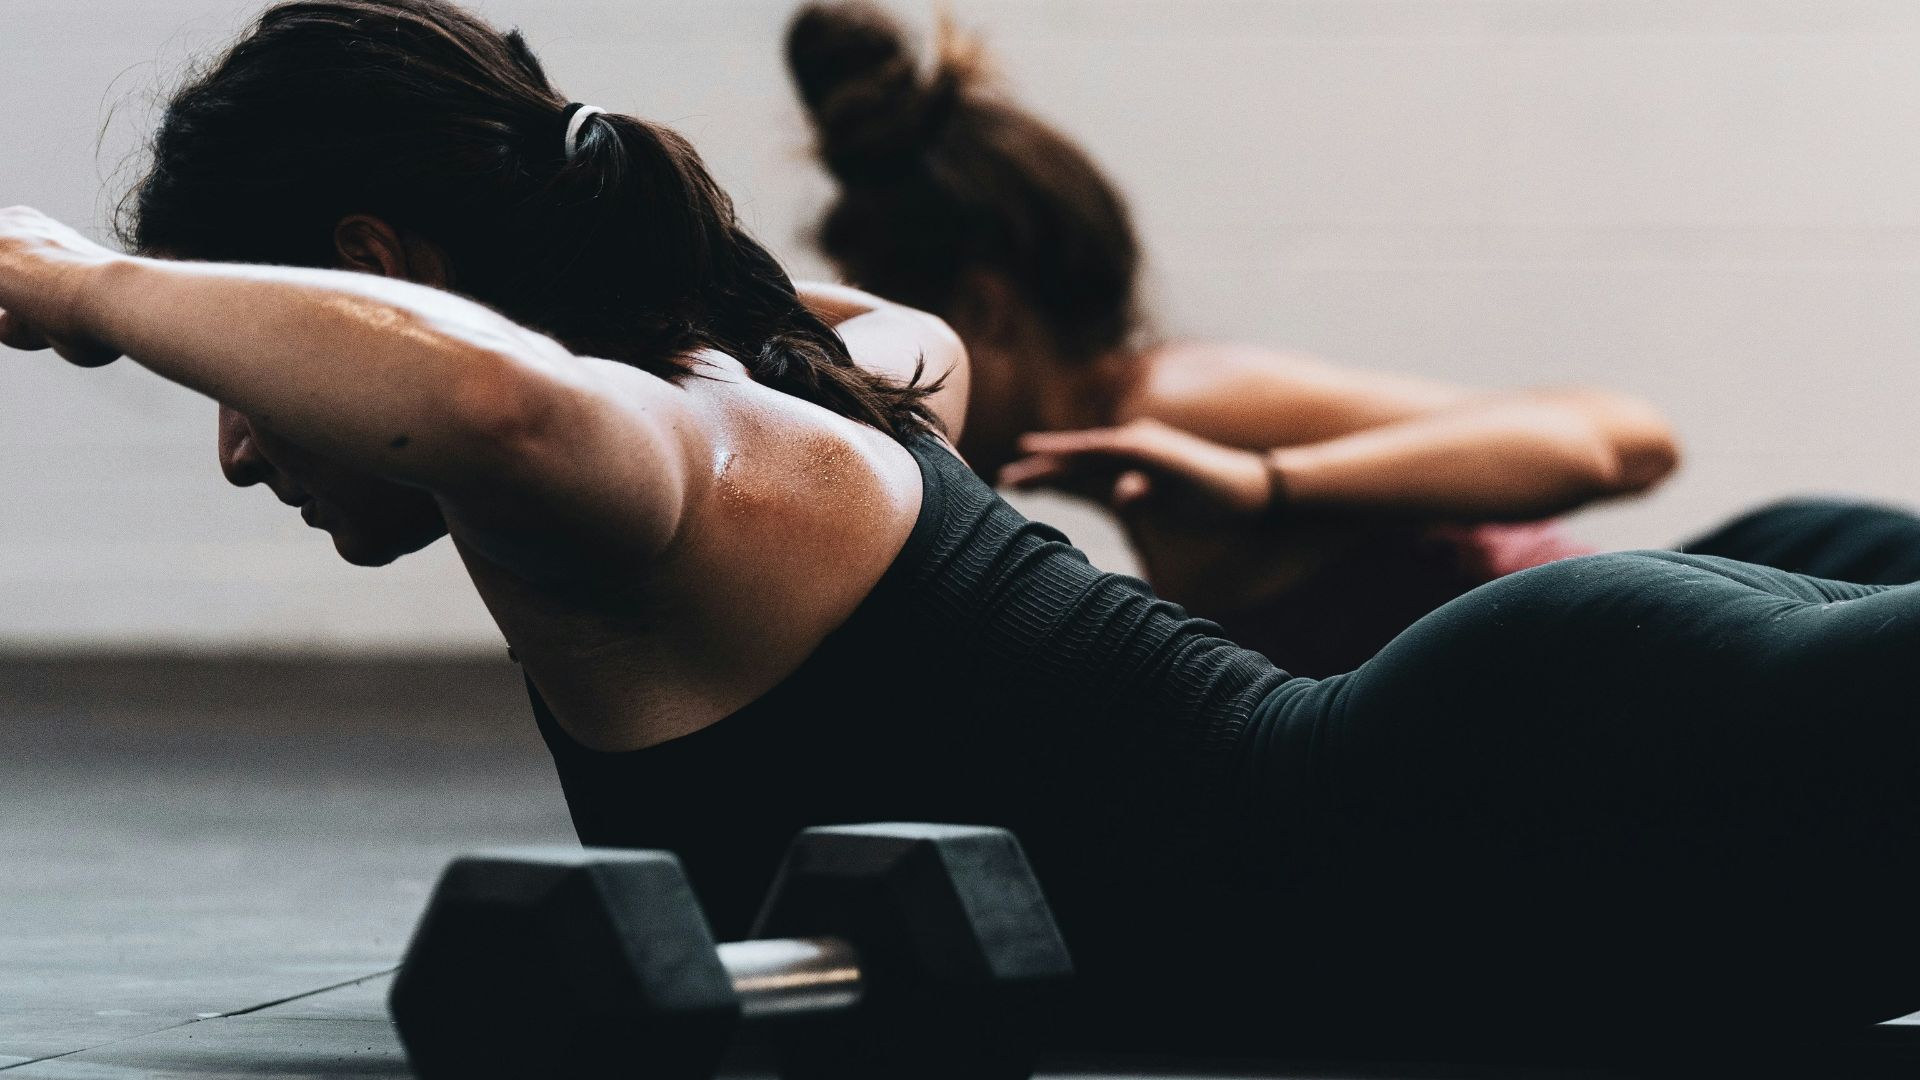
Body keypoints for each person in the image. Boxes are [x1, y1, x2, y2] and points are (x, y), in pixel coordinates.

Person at [6, 0, 1920, 1054]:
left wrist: (79, 285)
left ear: (373, 274)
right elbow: (540, 351)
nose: (247, 444)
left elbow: (489, 394)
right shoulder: (848, 373)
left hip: (1525, 817)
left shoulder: (661, 469)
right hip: (1549, 856)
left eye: (242, 361)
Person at [784, 2, 1920, 676]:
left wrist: (1271, 486)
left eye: (890, 342)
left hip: (1769, 614)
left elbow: (1622, 441)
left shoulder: (1181, 405)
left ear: (983, 311)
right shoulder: (1145, 461)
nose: (879, 390)